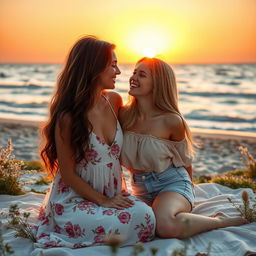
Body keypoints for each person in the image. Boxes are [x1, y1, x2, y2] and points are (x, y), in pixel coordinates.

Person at [34, 37, 155, 250]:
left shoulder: (115, 101)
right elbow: (68, 174)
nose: (118, 71)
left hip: (113, 193)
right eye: (113, 65)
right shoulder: (68, 117)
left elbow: (143, 125)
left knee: (146, 217)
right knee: (128, 223)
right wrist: (102, 201)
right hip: (76, 199)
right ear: (94, 68)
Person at [120, 57, 248, 239]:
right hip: (139, 188)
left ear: (158, 84)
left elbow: (185, 162)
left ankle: (221, 221)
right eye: (134, 72)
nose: (133, 77)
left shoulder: (171, 121)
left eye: (142, 75)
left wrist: (186, 198)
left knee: (164, 225)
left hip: (171, 184)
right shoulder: (123, 115)